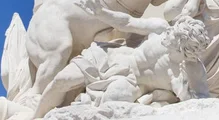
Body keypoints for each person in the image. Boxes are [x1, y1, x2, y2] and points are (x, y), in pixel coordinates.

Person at [33, 14, 209, 118]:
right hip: (111, 58)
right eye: (171, 34)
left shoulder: (192, 70)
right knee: (63, 80)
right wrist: (101, 12)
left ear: (184, 50)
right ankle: (35, 117)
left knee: (107, 106)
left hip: (133, 84)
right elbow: (127, 22)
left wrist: (184, 94)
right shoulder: (161, 30)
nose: (167, 38)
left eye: (173, 40)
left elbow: (206, 106)